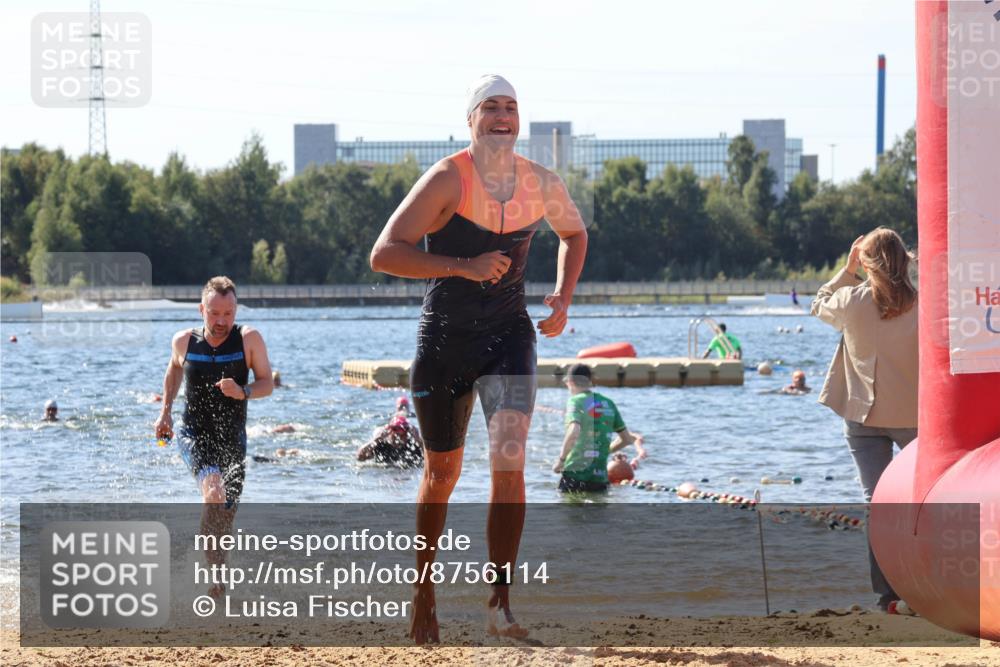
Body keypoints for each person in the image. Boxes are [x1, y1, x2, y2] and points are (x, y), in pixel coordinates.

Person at [369, 74, 587, 644]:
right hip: (444, 341)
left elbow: (575, 234)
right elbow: (384, 254)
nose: (502, 116)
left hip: (510, 336)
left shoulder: (542, 183)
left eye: (511, 107)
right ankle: (423, 593)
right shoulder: (446, 179)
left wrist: (563, 296)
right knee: (442, 473)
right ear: (471, 119)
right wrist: (463, 267)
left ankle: (500, 605)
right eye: (490, 107)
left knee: (509, 459)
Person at [811, 228, 918, 612]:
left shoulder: (850, 300)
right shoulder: (923, 305)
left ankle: (887, 595)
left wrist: (847, 268)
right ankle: (928, 586)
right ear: (905, 261)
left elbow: (818, 302)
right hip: (913, 418)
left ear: (866, 264)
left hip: (862, 417)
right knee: (924, 503)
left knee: (878, 505)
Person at [153, 276, 274, 596]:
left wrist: (243, 390)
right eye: (214, 313)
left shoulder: (249, 339)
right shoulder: (184, 341)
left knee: (225, 516)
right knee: (214, 492)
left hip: (233, 438)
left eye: (229, 313)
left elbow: (267, 383)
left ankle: (218, 570)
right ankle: (215, 578)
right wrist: (165, 412)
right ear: (201, 310)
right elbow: (174, 370)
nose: (221, 321)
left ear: (236, 310)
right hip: (194, 432)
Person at [552, 364, 645, 492]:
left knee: (569, 511)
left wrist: (561, 460)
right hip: (600, 478)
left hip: (575, 474)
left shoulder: (575, 401)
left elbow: (574, 431)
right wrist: (603, 451)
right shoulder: (608, 403)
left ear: (571, 381)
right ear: (590, 381)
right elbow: (627, 439)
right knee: (597, 510)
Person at [357, 414, 424, 468]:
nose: (398, 435)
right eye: (394, 429)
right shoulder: (381, 445)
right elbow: (359, 458)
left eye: (404, 431)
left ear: (408, 432)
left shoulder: (413, 446)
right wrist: (376, 439)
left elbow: (430, 458)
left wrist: (418, 439)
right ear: (389, 431)